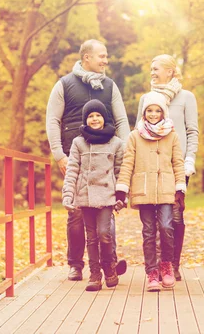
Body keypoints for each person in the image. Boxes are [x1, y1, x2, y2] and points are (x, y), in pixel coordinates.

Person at [46, 39, 130, 281]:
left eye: (106, 56)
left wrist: (125, 153)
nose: (106, 60)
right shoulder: (64, 85)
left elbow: (122, 120)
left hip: (106, 156)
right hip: (76, 155)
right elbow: (53, 120)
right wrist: (59, 155)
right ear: (87, 59)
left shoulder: (110, 86)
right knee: (77, 212)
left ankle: (109, 263)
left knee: (107, 206)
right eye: (102, 56)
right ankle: (76, 264)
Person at [136, 54, 199, 281]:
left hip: (177, 167)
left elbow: (192, 131)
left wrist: (189, 159)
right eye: (151, 69)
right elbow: (138, 132)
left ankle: (172, 263)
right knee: (152, 220)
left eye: (156, 69)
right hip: (151, 168)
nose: (152, 72)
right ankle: (155, 267)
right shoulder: (146, 99)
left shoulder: (186, 98)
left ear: (170, 71)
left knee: (175, 217)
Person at [116, 92, 186, 291]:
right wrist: (122, 189)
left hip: (166, 189)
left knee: (166, 226)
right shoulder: (134, 136)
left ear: (163, 113)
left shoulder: (171, 135)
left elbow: (178, 163)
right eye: (149, 110)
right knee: (148, 231)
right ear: (144, 113)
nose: (153, 114)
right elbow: (127, 163)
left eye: (157, 110)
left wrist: (180, 187)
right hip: (143, 189)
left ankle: (166, 266)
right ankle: (152, 273)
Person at [62, 100, 124, 291]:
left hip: (107, 196)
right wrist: (68, 195)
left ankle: (109, 268)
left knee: (104, 234)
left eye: (98, 115)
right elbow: (72, 170)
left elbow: (120, 170)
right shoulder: (78, 142)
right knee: (91, 237)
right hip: (85, 196)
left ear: (104, 118)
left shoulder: (116, 143)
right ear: (85, 120)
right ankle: (95, 274)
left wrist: (122, 196)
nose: (94, 119)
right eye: (90, 116)